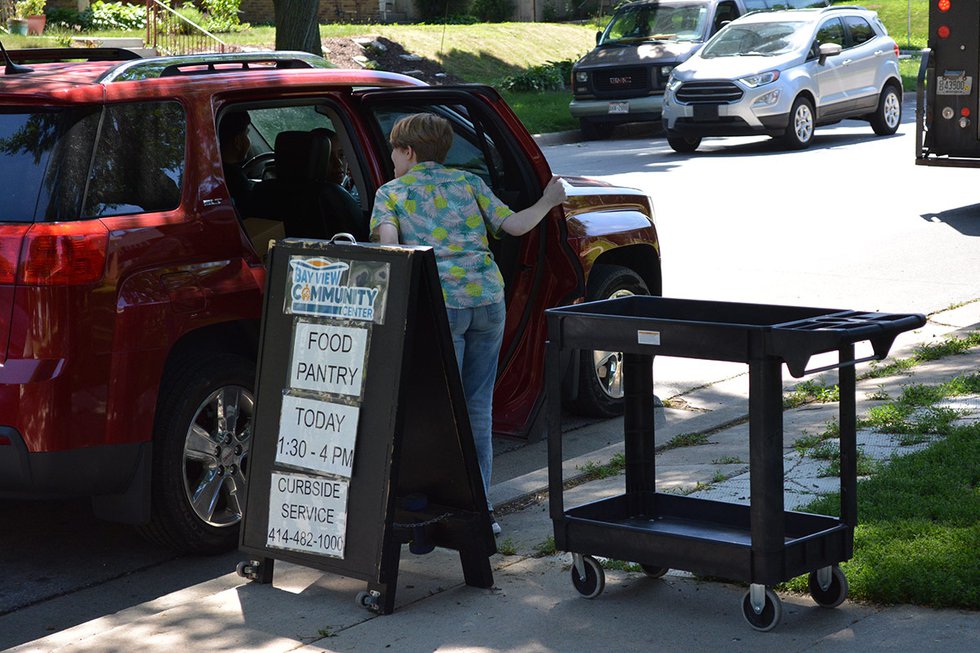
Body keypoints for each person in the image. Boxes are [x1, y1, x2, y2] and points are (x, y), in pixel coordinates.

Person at [369, 113, 566, 535]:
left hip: (443, 306)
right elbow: (513, 226)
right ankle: (482, 508)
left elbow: (390, 249)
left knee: (442, 407)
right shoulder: (469, 183)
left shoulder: (391, 193)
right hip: (488, 299)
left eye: (393, 150)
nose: (391, 158)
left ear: (408, 151)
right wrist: (549, 200)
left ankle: (439, 503)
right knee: (477, 405)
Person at [218, 110, 256, 216]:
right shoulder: (237, 181)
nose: (249, 140)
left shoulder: (214, 172)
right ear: (237, 141)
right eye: (247, 134)